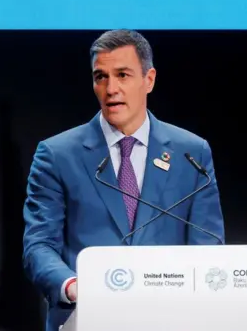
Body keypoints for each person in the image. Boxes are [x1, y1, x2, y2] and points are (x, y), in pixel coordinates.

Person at [22, 29, 224, 331]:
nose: (110, 88)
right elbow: (39, 245)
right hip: (86, 318)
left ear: (149, 79)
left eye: (123, 75)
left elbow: (208, 244)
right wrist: (72, 285)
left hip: (170, 320)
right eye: (100, 76)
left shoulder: (191, 153)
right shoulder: (57, 154)